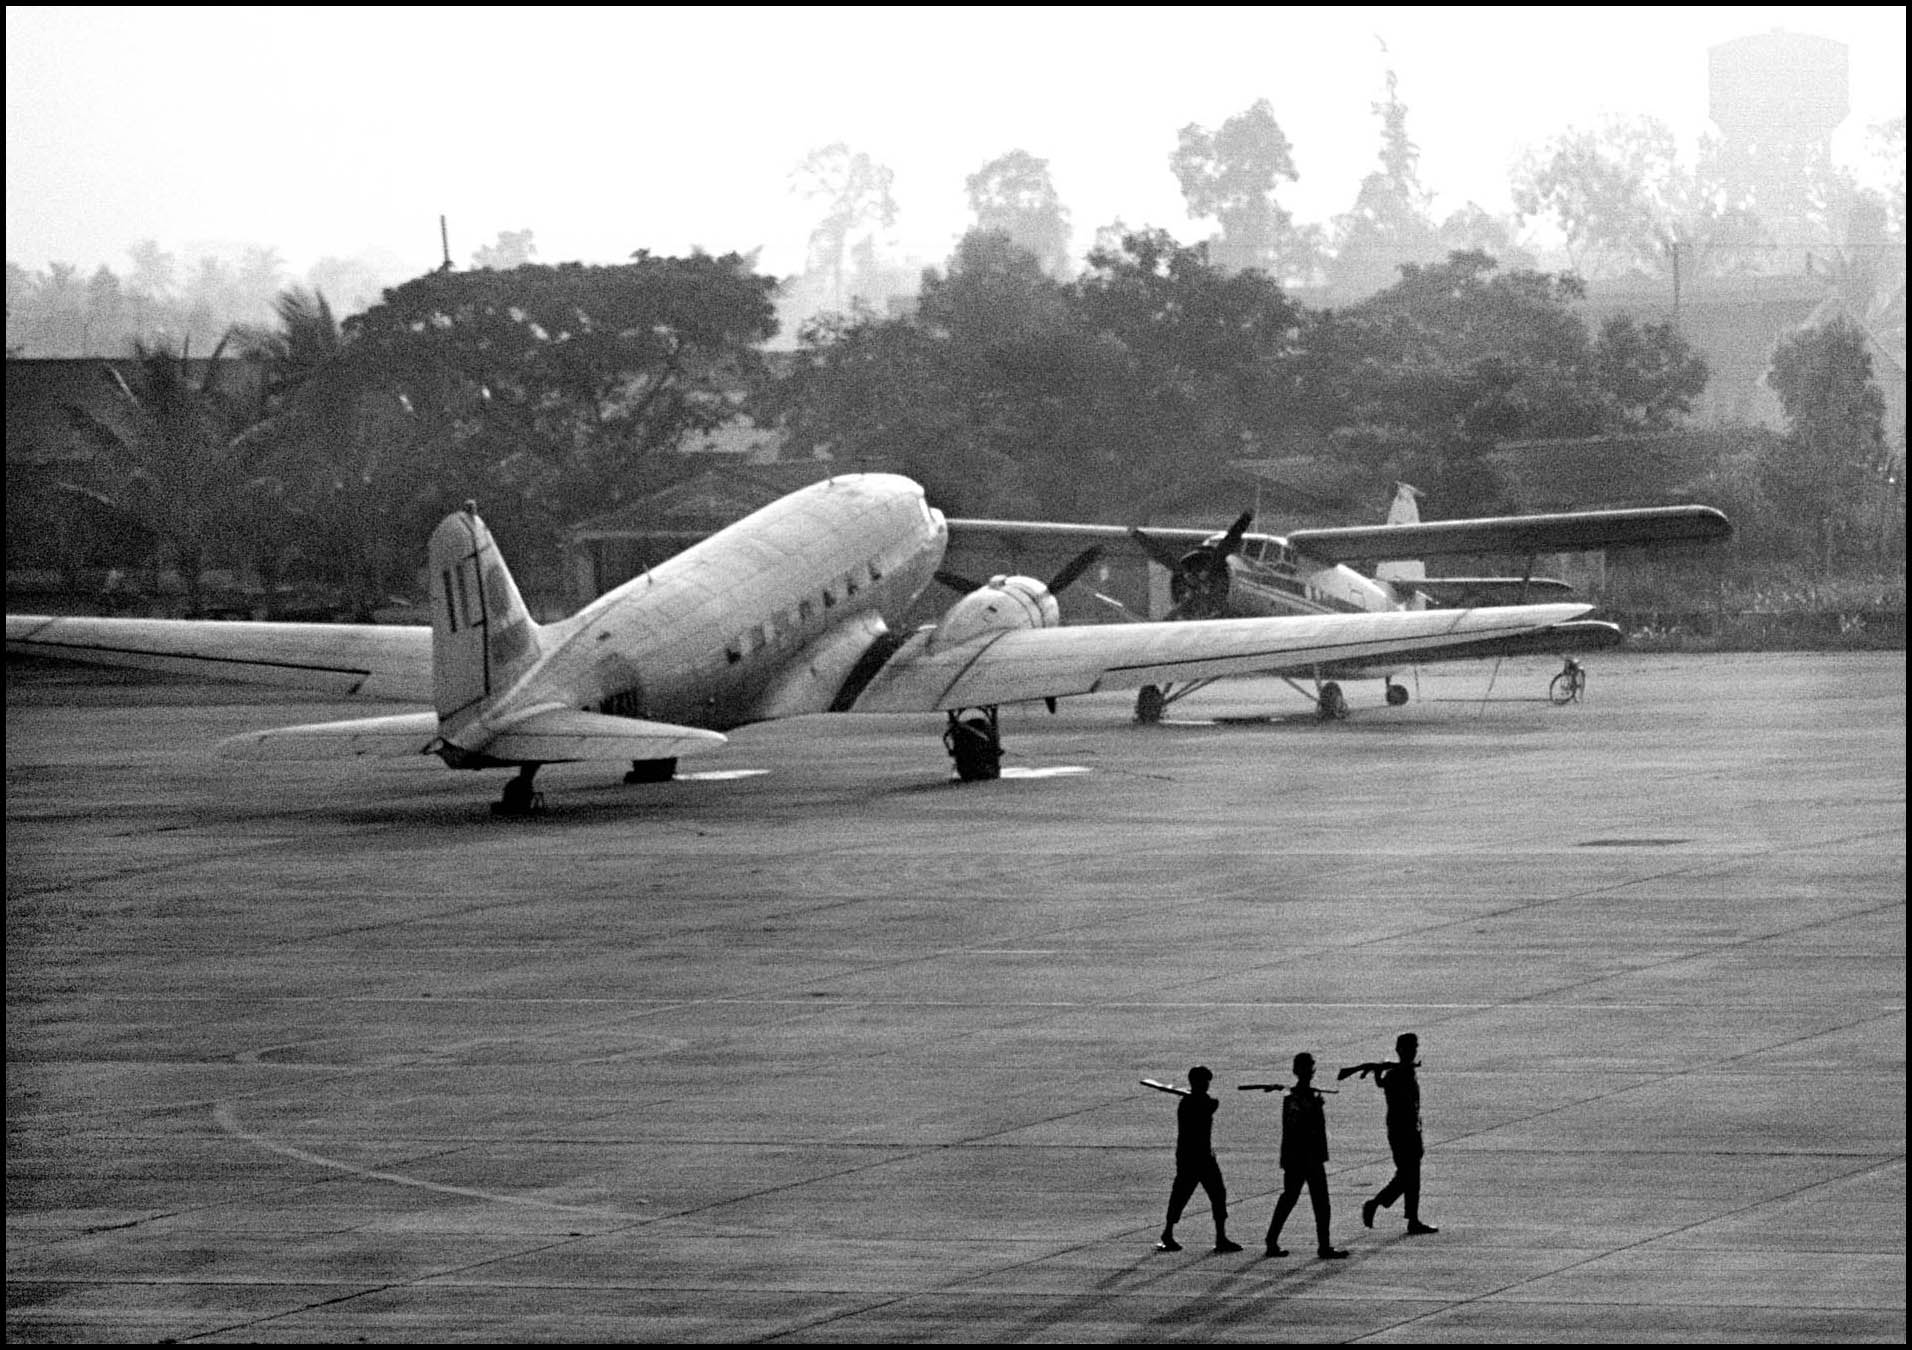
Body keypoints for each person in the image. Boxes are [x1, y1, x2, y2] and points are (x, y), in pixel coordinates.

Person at [1341, 1032, 1438, 1235]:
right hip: (1401, 1131)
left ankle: (1411, 1218)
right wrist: (1381, 1071)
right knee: (1407, 1175)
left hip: (1412, 1129)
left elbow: (1382, 1084)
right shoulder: (1397, 1074)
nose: (1413, 1052)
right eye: (1410, 1049)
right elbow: (1389, 1089)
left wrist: (1380, 1071)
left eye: (1414, 1048)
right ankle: (1377, 1203)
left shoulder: (1402, 1072)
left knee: (1412, 1176)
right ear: (1400, 1050)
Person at [1263, 1053, 1347, 1259]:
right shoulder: (1292, 1098)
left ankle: (1324, 1245)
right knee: (1290, 1198)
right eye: (1306, 1069)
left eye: (1311, 1068)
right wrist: (1313, 1108)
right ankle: (1271, 1239)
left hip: (1314, 1157)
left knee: (1321, 1203)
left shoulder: (1309, 1096)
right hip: (1297, 1158)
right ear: (1297, 1071)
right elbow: (1295, 1125)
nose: (1309, 1073)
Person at [1157, 1066, 1242, 1253]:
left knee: (1218, 1195)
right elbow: (1212, 1105)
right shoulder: (1194, 1104)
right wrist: (1199, 1098)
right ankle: (1168, 1233)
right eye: (1203, 1081)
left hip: (1203, 1157)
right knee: (1181, 1195)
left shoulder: (1191, 1101)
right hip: (1192, 1158)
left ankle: (1220, 1237)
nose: (1206, 1085)